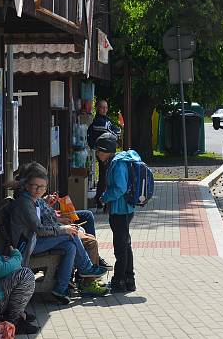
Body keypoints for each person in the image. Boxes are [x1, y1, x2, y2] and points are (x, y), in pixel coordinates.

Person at [9, 162, 107, 304]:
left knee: (70, 246)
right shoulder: (25, 203)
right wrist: (63, 229)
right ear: (26, 185)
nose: (39, 190)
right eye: (35, 186)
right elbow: (40, 230)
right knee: (69, 234)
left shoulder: (33, 200)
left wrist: (60, 224)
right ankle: (86, 268)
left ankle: (60, 289)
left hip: (35, 240)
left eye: (42, 187)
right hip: (27, 246)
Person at [0, 212, 38, 335]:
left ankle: (15, 315)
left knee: (21, 272)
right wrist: (16, 255)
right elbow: (0, 269)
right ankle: (13, 322)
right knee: (26, 275)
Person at [97, 132, 137, 293]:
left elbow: (120, 187)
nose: (97, 154)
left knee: (121, 247)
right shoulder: (118, 161)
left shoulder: (117, 164)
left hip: (121, 211)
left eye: (98, 150)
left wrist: (105, 197)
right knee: (125, 245)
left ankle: (119, 280)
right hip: (125, 209)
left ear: (105, 150)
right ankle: (129, 279)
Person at [87, 100, 120, 207]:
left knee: (105, 176)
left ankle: (102, 199)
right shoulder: (99, 122)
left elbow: (115, 131)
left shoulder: (105, 120)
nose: (105, 110)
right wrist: (116, 132)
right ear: (97, 108)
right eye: (102, 107)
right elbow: (113, 132)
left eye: (106, 107)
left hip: (106, 152)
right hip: (102, 153)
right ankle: (102, 200)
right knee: (105, 177)